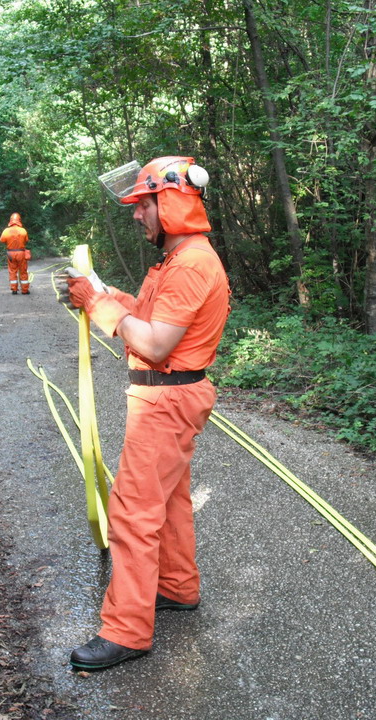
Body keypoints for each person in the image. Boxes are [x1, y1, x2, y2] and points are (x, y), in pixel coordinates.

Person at [60, 156, 230, 671]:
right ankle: (176, 587)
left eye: (144, 205)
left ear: (171, 202)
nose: (137, 215)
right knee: (170, 499)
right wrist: (100, 294)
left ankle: (126, 631)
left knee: (133, 513)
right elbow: (148, 316)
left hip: (166, 401)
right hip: (168, 398)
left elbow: (155, 343)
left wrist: (99, 307)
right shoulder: (177, 261)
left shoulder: (192, 264)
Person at [0, 212, 30, 295]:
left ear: (11, 220)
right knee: (23, 271)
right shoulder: (23, 230)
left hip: (10, 253)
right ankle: (25, 290)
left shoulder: (6, 231)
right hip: (21, 253)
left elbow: (2, 240)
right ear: (19, 220)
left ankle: (14, 289)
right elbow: (26, 240)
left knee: (12, 271)